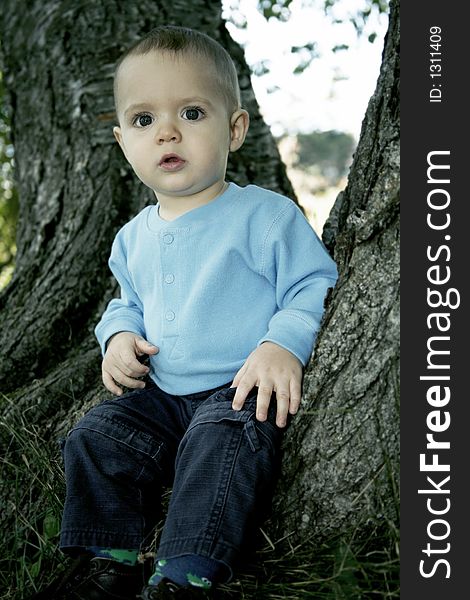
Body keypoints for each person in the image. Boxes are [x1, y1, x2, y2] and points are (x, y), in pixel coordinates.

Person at [36, 25, 337, 600]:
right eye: (145, 120)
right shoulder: (131, 237)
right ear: (124, 141)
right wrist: (118, 336)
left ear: (236, 128)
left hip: (236, 390)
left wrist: (281, 345)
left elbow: (312, 283)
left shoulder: (263, 216)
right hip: (162, 395)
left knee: (223, 441)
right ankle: (108, 560)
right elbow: (127, 301)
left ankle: (186, 574)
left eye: (193, 112)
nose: (168, 130)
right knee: (97, 434)